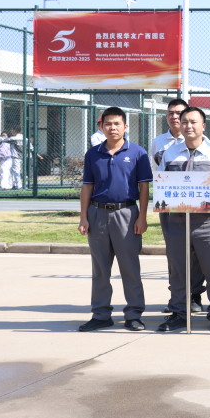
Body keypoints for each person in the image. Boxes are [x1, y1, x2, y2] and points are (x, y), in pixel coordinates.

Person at [156, 107, 210, 332]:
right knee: (178, 269)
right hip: (177, 221)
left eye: (193, 122)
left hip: (207, 221)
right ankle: (179, 312)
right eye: (185, 122)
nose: (188, 126)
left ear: (203, 126)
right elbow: (161, 181)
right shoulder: (170, 153)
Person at [77, 107, 152, 332]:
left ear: (125, 126)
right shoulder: (93, 154)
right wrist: (83, 217)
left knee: (130, 267)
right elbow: (87, 186)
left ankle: (134, 314)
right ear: (101, 127)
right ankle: (101, 314)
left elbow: (144, 187)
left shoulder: (137, 152)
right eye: (108, 124)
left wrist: (142, 217)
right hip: (97, 214)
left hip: (126, 214)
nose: (112, 128)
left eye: (117, 123)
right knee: (100, 268)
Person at [150, 97, 204, 312]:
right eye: (171, 113)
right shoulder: (158, 143)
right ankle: (178, 297)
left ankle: (195, 295)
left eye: (180, 113)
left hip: (198, 207)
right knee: (174, 252)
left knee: (197, 253)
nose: (175, 117)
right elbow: (155, 172)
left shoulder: (200, 140)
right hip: (170, 206)